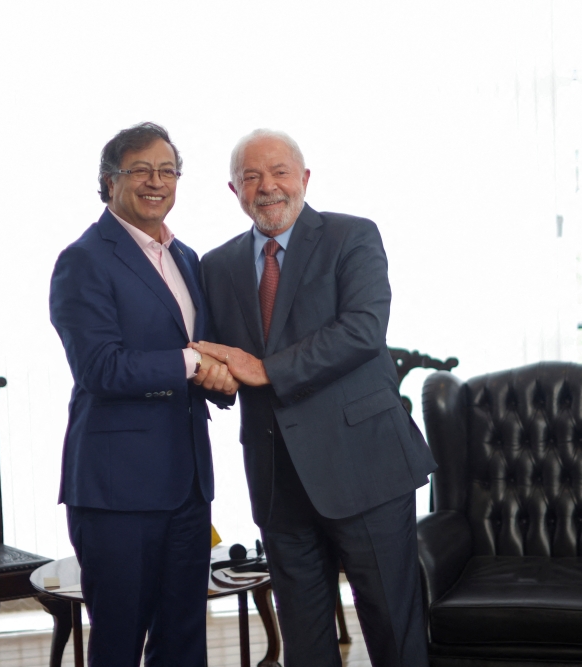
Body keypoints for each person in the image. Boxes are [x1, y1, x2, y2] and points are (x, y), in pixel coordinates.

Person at [192, 129, 436, 666]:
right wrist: (214, 376)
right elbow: (225, 363)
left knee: (393, 631)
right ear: (233, 191)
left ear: (304, 179)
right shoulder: (216, 265)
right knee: (305, 642)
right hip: (278, 478)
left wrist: (264, 370)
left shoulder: (353, 237)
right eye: (250, 177)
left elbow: (363, 330)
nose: (267, 187)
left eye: (279, 172)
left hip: (365, 468)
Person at [49, 122, 237, 667]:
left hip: (186, 485)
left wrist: (220, 378)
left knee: (183, 642)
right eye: (140, 171)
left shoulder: (186, 258)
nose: (156, 182)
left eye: (167, 170)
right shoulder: (84, 259)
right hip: (117, 492)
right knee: (119, 643)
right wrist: (195, 363)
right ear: (109, 182)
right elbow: (100, 368)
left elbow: (201, 351)